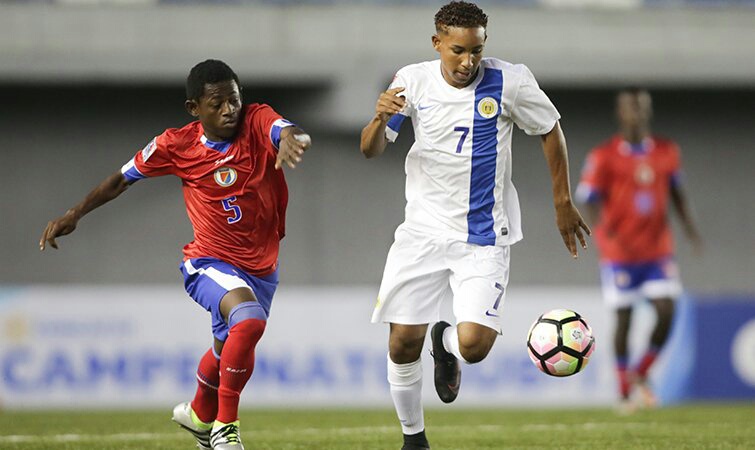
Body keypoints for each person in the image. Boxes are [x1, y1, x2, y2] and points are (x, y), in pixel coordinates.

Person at [39, 59, 311, 450]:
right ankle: (224, 428)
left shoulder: (255, 120)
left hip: (262, 266)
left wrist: (292, 137)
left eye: (233, 100)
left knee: (229, 348)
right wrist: (75, 213)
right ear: (194, 109)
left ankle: (200, 414)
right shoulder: (175, 145)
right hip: (208, 262)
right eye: (216, 104)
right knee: (249, 322)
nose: (229, 110)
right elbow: (120, 180)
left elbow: (285, 128)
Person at [360, 2, 590, 449]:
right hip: (423, 232)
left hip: (484, 235)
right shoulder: (411, 81)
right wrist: (378, 117)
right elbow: (371, 151)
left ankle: (445, 343)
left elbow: (550, 129)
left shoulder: (511, 80)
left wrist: (562, 200)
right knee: (403, 342)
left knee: (476, 346)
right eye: (459, 51)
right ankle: (414, 440)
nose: (469, 62)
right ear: (437, 44)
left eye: (477, 50)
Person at [576, 87, 701, 412]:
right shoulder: (603, 155)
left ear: (648, 111)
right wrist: (604, 235)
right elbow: (590, 199)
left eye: (641, 108)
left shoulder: (666, 150)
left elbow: (677, 193)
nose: (636, 114)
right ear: (620, 113)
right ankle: (622, 393)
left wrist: (689, 229)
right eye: (630, 108)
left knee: (667, 310)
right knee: (625, 319)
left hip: (657, 250)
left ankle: (640, 373)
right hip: (621, 254)